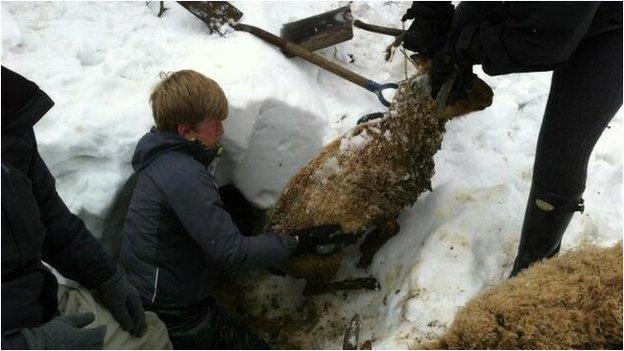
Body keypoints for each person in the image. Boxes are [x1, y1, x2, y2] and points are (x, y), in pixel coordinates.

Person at [119, 70, 341, 349]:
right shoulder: (184, 175)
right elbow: (231, 252)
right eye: (215, 124)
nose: (222, 132)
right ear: (186, 131)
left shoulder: (168, 161)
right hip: (174, 314)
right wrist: (298, 242)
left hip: (160, 294)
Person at [401, 2, 622, 276]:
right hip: (543, 13)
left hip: (610, 28)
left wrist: (465, 46)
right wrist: (430, 12)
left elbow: (544, 42)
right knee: (457, 31)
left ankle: (533, 270)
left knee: (562, 153)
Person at [0, 66, 165, 349]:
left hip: (38, 299)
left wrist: (105, 276)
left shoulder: (7, 109)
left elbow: (48, 213)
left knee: (151, 336)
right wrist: (29, 346)